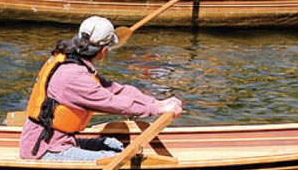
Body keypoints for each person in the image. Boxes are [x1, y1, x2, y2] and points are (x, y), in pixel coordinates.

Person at [19, 16, 183, 161]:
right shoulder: (73, 76)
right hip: (44, 149)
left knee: (114, 144)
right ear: (103, 52)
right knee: (117, 159)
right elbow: (111, 102)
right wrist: (155, 108)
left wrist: (157, 102)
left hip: (62, 140)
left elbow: (115, 90)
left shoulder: (73, 61)